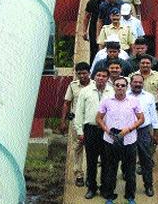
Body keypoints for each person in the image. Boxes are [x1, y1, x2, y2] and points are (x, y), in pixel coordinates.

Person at [96, 77, 145, 204]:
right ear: (113, 87)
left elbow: (141, 119)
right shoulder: (106, 101)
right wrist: (106, 130)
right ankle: (110, 196)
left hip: (129, 139)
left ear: (127, 87)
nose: (120, 87)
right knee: (110, 169)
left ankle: (130, 196)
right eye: (117, 85)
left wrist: (129, 129)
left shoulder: (134, 101)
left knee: (130, 170)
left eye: (123, 85)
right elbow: (99, 118)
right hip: (111, 139)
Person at [74, 68, 114, 199]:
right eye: (98, 75)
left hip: (107, 130)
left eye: (103, 76)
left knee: (107, 160)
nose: (100, 78)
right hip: (90, 129)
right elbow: (79, 112)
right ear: (94, 76)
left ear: (108, 78)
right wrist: (80, 131)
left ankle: (104, 188)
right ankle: (91, 188)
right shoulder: (85, 91)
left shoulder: (112, 92)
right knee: (91, 160)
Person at [59, 62, 93, 187]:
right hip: (76, 122)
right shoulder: (73, 86)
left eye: (84, 73)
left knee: (92, 148)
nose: (82, 76)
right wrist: (63, 121)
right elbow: (67, 103)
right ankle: (79, 174)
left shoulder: (95, 85)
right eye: (79, 73)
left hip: (91, 122)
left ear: (89, 73)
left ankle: (91, 175)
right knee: (78, 146)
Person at [127, 75, 158, 197]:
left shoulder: (149, 97)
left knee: (146, 160)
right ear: (130, 83)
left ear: (143, 83)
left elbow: (153, 115)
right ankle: (130, 188)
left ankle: (148, 186)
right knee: (128, 160)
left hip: (144, 131)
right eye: (135, 82)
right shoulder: (124, 95)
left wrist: (156, 131)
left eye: (140, 82)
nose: (137, 84)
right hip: (128, 131)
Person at [83, 0, 106, 64]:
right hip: (93, 28)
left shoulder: (108, 2)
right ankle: (92, 68)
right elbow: (86, 17)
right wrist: (84, 31)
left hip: (106, 27)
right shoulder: (91, 3)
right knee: (94, 49)